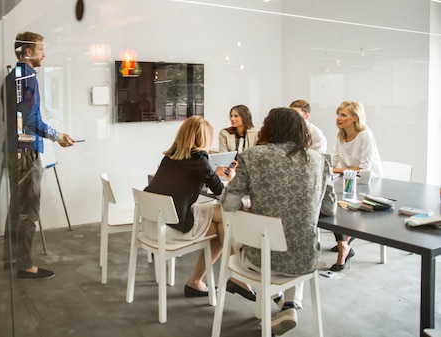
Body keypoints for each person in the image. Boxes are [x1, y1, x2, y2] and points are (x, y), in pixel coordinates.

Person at [220, 107, 337, 336]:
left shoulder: (253, 156)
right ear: (302, 130)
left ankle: (281, 302)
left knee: (259, 240)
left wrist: (247, 203)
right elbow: (328, 207)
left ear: (268, 128)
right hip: (305, 257)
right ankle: (290, 305)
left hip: (260, 258)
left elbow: (228, 203)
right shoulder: (319, 161)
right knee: (295, 237)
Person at [145, 116, 254, 300]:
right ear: (203, 138)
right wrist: (232, 177)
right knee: (225, 225)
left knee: (222, 219)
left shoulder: (170, 156)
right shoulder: (199, 162)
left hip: (152, 225)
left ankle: (201, 282)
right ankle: (238, 275)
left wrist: (210, 172)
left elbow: (185, 181)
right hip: (171, 229)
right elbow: (224, 196)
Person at [2, 31, 75, 279]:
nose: (45, 53)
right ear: (28, 52)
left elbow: (16, 119)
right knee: (28, 211)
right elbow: (31, 122)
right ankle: (24, 265)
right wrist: (58, 135)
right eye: (41, 48)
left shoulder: (11, 77)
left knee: (16, 207)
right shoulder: (29, 77)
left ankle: (11, 258)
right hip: (26, 153)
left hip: (13, 150)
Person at [329, 100, 383, 272]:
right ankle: (344, 243)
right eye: (338, 114)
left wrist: (338, 169)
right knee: (331, 203)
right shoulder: (340, 135)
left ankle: (343, 247)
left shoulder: (365, 135)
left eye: (343, 115)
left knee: (342, 205)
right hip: (348, 180)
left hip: (369, 183)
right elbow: (333, 161)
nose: (338, 118)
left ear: (354, 118)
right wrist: (339, 170)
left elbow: (364, 169)